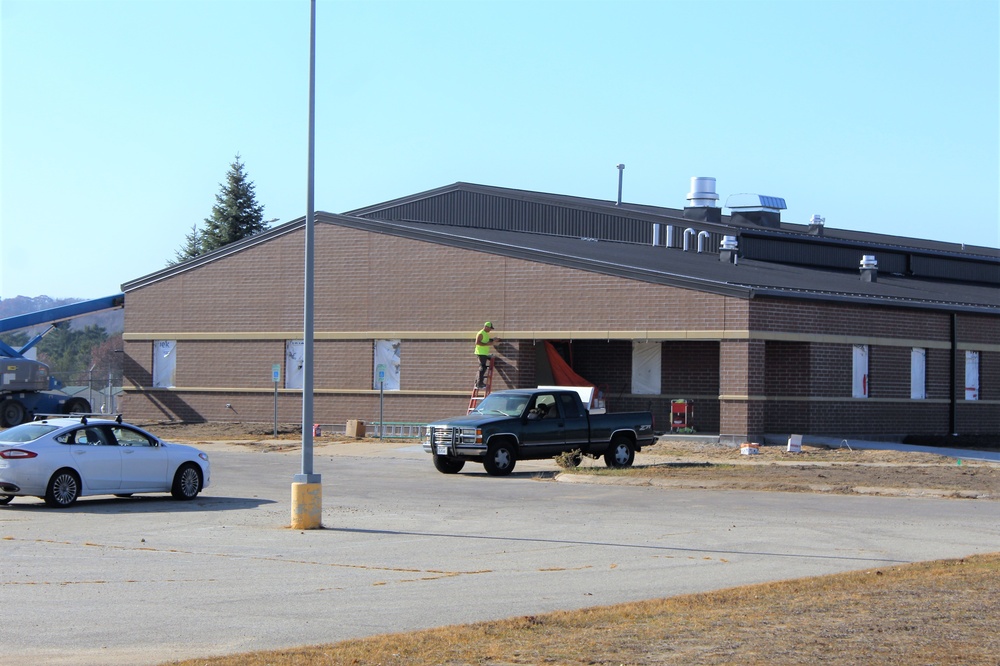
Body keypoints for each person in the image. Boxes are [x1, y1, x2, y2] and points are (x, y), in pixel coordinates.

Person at [474, 321, 497, 389]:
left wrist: (493, 340)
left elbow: (486, 340)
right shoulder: (481, 333)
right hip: (481, 353)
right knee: (482, 367)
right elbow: (477, 342)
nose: (490, 330)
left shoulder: (486, 334)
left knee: (483, 367)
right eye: (490, 328)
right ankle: (479, 383)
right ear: (486, 327)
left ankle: (478, 382)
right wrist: (489, 344)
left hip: (484, 353)